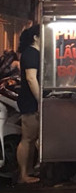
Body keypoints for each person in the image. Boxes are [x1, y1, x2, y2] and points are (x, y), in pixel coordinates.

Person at [16, 24, 41, 184]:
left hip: (32, 100)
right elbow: (31, 78)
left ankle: (29, 171)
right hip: (30, 101)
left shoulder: (35, 53)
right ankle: (23, 175)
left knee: (32, 138)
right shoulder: (31, 53)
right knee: (27, 138)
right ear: (36, 37)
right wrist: (40, 101)